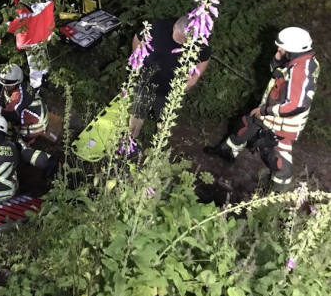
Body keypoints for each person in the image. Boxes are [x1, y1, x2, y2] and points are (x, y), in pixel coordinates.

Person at [206, 27, 320, 192]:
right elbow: (277, 74)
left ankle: (276, 196)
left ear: (294, 49)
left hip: (282, 123)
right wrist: (278, 59)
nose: (279, 49)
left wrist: (266, 110)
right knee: (246, 124)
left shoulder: (301, 70)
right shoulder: (299, 60)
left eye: (282, 47)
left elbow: (296, 105)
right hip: (270, 112)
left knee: (277, 159)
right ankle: (227, 152)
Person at [129, 16, 211, 138]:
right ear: (174, 27)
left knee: (164, 120)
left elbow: (205, 58)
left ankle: (157, 148)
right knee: (137, 114)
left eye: (186, 40)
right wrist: (137, 58)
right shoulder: (156, 27)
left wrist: (194, 79)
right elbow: (137, 38)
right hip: (146, 80)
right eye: (180, 38)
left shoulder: (197, 40)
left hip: (171, 87)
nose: (183, 42)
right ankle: (130, 141)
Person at [7, 0, 55, 90]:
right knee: (42, 53)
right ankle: (45, 75)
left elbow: (12, 26)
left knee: (33, 63)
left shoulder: (24, 10)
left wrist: (3, 24)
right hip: (45, 32)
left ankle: (35, 87)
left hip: (33, 39)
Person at [0, 64, 48, 141]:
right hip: (26, 113)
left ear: (17, 82)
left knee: (20, 140)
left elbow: (11, 114)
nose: (5, 86)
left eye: (8, 84)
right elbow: (2, 95)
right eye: (4, 84)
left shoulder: (20, 93)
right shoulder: (13, 83)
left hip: (36, 123)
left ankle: (25, 143)